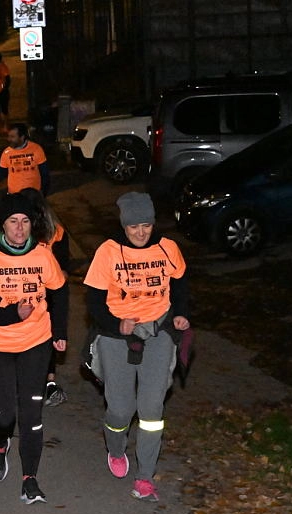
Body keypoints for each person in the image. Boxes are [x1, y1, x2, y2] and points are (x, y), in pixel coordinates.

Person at [0, 193, 68, 504]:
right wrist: (11, 314)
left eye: (24, 222)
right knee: (4, 415)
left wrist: (59, 332)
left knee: (32, 415)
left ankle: (29, 478)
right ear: (2, 226)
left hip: (35, 343)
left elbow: (60, 293)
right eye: (12, 222)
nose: (20, 229)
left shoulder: (43, 255)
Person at [83, 192, 190, 503]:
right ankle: (115, 448)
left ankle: (145, 476)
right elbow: (93, 301)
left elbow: (181, 284)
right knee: (120, 408)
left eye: (146, 225)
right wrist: (117, 324)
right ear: (123, 226)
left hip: (158, 333)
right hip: (117, 334)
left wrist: (181, 313)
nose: (141, 233)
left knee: (152, 410)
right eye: (133, 227)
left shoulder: (167, 248)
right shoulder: (108, 252)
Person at [19, 187, 72, 406]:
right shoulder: (19, 231)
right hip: (24, 291)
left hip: (47, 292)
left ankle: (48, 381)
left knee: (47, 336)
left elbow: (64, 269)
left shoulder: (56, 232)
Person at [0, 123, 51, 195]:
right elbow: (1, 173)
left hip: (33, 195)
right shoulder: (6, 153)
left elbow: (44, 173)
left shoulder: (36, 149)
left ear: (22, 137)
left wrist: (43, 192)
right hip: (15, 195)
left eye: (12, 137)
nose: (9, 139)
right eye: (9, 136)